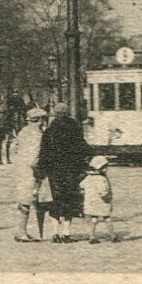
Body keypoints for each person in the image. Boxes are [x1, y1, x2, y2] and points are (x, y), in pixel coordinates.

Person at [35, 104, 93, 243]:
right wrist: (91, 155)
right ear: (67, 113)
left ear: (55, 113)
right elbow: (82, 146)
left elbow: (44, 152)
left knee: (55, 201)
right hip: (71, 170)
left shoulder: (50, 130)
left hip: (54, 171)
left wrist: (41, 170)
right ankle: (66, 233)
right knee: (69, 200)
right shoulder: (74, 127)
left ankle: (55, 234)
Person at [14, 106, 49, 242]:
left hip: (20, 169)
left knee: (24, 200)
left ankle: (21, 230)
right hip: (31, 172)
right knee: (28, 200)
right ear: (39, 120)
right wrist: (39, 169)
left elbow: (15, 149)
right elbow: (34, 157)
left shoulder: (23, 132)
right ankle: (21, 232)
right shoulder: (37, 135)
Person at [81, 154, 115, 243]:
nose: (107, 169)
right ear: (100, 168)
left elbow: (81, 186)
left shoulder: (88, 177)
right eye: (105, 167)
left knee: (93, 219)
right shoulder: (101, 179)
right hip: (102, 202)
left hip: (91, 202)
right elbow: (103, 191)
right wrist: (108, 197)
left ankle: (92, 237)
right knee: (107, 218)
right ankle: (112, 235)